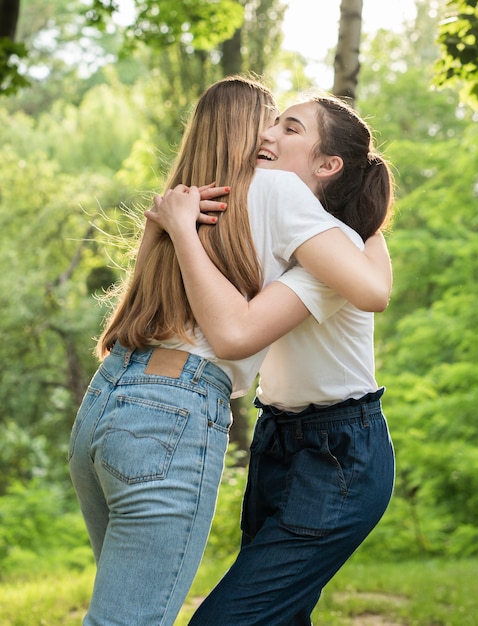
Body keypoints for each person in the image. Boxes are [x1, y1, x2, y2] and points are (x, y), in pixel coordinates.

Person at [68, 77, 391, 626]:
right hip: (274, 436)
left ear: (327, 165)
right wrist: (171, 226)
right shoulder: (251, 214)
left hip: (338, 447)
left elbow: (240, 332)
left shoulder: (332, 246)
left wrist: (180, 230)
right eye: (271, 121)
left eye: (288, 127)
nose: (268, 135)